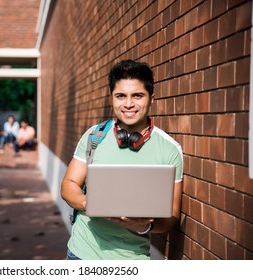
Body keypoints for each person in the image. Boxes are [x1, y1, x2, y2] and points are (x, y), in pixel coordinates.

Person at [61, 59, 183, 260]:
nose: (128, 104)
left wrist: (144, 226)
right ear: (112, 98)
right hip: (81, 254)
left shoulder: (170, 150)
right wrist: (90, 202)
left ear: (151, 98)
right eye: (120, 96)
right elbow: (68, 185)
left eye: (137, 95)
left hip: (133, 259)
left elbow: (172, 215)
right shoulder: (94, 136)